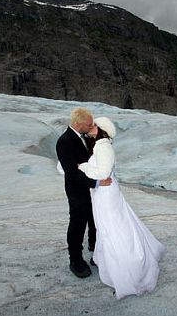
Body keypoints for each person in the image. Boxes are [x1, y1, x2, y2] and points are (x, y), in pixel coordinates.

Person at [78, 117, 165, 299]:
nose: (90, 126)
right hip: (103, 192)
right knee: (109, 226)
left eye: (94, 125)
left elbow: (102, 173)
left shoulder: (103, 147)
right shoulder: (99, 145)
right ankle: (111, 262)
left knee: (114, 228)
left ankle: (130, 268)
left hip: (106, 194)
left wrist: (83, 166)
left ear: (101, 129)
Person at [56, 107, 111, 278]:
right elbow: (72, 172)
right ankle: (75, 260)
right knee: (78, 223)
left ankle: (95, 250)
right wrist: (95, 182)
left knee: (95, 219)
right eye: (89, 124)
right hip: (77, 190)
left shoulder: (85, 136)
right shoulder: (64, 141)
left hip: (93, 190)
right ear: (79, 124)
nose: (92, 126)